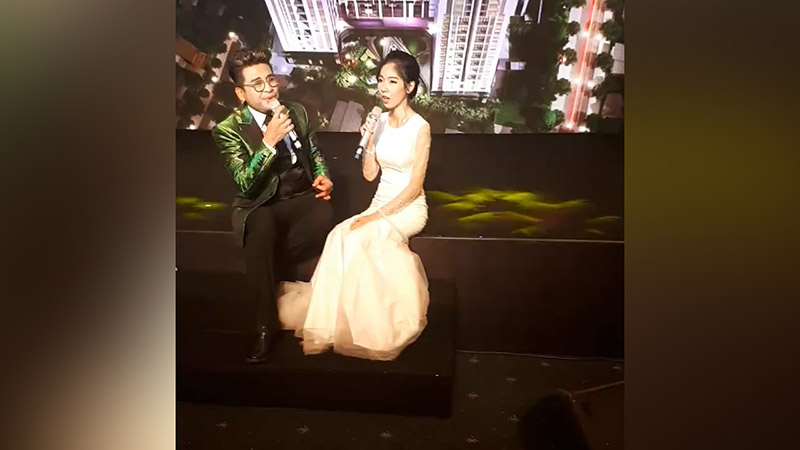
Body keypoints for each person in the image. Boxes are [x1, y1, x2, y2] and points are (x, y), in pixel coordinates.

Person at [278, 50, 431, 361]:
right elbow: (370, 175)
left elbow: (415, 186)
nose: (383, 88)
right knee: (339, 235)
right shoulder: (380, 121)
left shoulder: (420, 127)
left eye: (392, 81)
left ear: (410, 86)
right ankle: (331, 321)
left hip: (408, 207)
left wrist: (376, 217)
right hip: (380, 201)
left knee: (361, 237)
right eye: (380, 80)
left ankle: (369, 325)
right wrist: (370, 141)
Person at [211, 48, 334, 363]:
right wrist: (268, 142)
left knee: (325, 214)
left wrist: (322, 176)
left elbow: (314, 151)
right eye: (257, 84)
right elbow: (245, 183)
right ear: (241, 93)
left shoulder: (296, 111)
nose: (268, 89)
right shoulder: (227, 129)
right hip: (260, 202)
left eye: (270, 80)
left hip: (298, 196)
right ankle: (265, 327)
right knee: (262, 227)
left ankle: (266, 262)